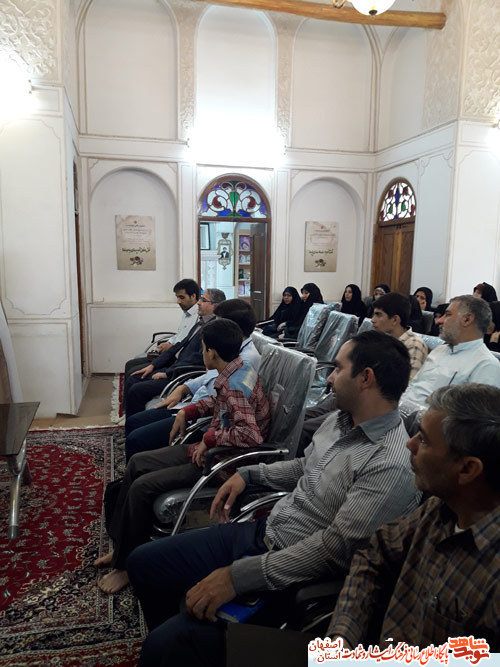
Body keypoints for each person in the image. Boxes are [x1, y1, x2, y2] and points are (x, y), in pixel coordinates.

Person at [127, 330, 421, 667]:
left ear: (366, 378)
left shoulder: (389, 462)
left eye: (338, 369)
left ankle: (186, 642)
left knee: (162, 647)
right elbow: (305, 466)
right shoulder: (340, 420)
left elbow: (333, 550)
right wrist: (250, 475)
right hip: (267, 529)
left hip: (292, 567)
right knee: (143, 564)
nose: (329, 378)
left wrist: (238, 577)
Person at [95, 318, 271, 594]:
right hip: (212, 450)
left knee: (143, 486)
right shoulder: (238, 368)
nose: (202, 352)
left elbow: (251, 435)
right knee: (138, 462)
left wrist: (210, 439)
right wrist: (188, 411)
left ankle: (128, 565)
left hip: (224, 463)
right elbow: (221, 403)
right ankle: (122, 549)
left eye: (203, 347)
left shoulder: (235, 384)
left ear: (212, 352)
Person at [328, 383, 500, 651]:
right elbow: (373, 557)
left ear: (467, 469)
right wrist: (343, 637)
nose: (409, 444)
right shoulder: (438, 510)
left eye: (424, 440)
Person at [124, 301, 260, 460]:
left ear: (231, 328)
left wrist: (191, 412)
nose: (213, 326)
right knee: (133, 422)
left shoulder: (246, 360)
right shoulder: (228, 348)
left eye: (217, 322)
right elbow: (210, 379)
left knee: (136, 439)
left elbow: (224, 402)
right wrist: (184, 387)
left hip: (202, 422)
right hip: (194, 406)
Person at [123, 288, 226, 416]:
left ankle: (134, 422)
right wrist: (153, 365)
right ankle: (130, 419)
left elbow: (196, 360)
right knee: (134, 376)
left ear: (215, 306)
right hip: (175, 367)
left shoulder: (213, 329)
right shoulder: (201, 321)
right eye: (200, 298)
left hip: (181, 375)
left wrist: (167, 373)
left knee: (135, 388)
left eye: (203, 300)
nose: (198, 302)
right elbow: (179, 345)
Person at [401, 295, 500, 410]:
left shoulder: (486, 365)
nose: (439, 321)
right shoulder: (439, 350)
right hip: (402, 412)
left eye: (447, 315)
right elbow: (413, 387)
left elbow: (475, 417)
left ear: (467, 320)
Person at [124, 279, 201, 378]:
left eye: (182, 297)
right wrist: (168, 342)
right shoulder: (187, 313)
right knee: (130, 365)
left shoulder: (198, 317)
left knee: (133, 373)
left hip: (177, 358)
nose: (178, 301)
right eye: (177, 297)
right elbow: (179, 334)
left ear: (193, 296)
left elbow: (188, 343)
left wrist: (171, 346)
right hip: (170, 353)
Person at [371, 292, 428, 379]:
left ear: (395, 320)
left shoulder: (414, 344)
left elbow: (409, 382)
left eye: (378, 315)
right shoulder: (383, 340)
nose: (372, 320)